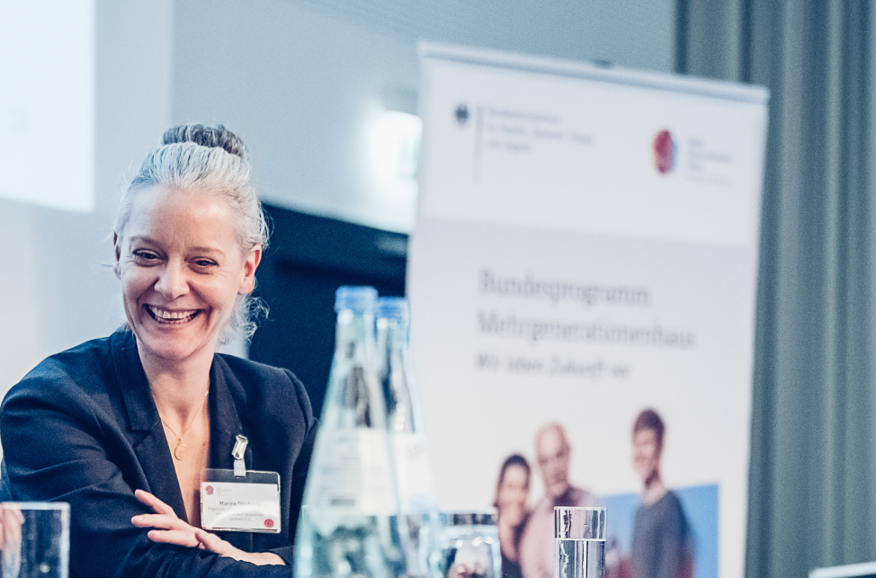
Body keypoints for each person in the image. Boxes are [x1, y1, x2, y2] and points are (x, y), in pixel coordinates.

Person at [0, 124, 318, 577]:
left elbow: (352, 542)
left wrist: (248, 559)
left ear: (247, 269)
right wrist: (260, 560)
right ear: (118, 252)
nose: (170, 286)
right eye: (147, 255)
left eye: (202, 262)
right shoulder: (51, 405)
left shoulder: (278, 403)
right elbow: (141, 570)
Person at [518, 423, 597, 578]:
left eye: (558, 456)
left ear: (568, 453)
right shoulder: (533, 527)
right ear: (538, 466)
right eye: (545, 461)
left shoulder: (592, 503)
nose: (554, 468)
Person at [629, 409, 693, 578]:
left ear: (660, 447)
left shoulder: (670, 505)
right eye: (637, 444)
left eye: (647, 443)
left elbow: (671, 569)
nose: (641, 453)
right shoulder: (639, 510)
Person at [494, 454, 531, 578]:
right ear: (499, 490)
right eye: (511, 487)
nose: (517, 497)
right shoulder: (486, 541)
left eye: (523, 488)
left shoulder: (530, 534)